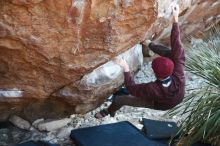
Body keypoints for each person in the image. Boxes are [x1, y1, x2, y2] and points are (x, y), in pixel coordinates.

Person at [95, 4, 185, 119]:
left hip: (160, 104)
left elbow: (132, 88)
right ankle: (150, 44)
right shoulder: (179, 71)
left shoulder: (152, 89)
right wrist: (175, 19)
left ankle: (109, 111)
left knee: (120, 99)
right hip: (178, 96)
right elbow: (177, 45)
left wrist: (125, 67)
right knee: (172, 54)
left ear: (153, 72)